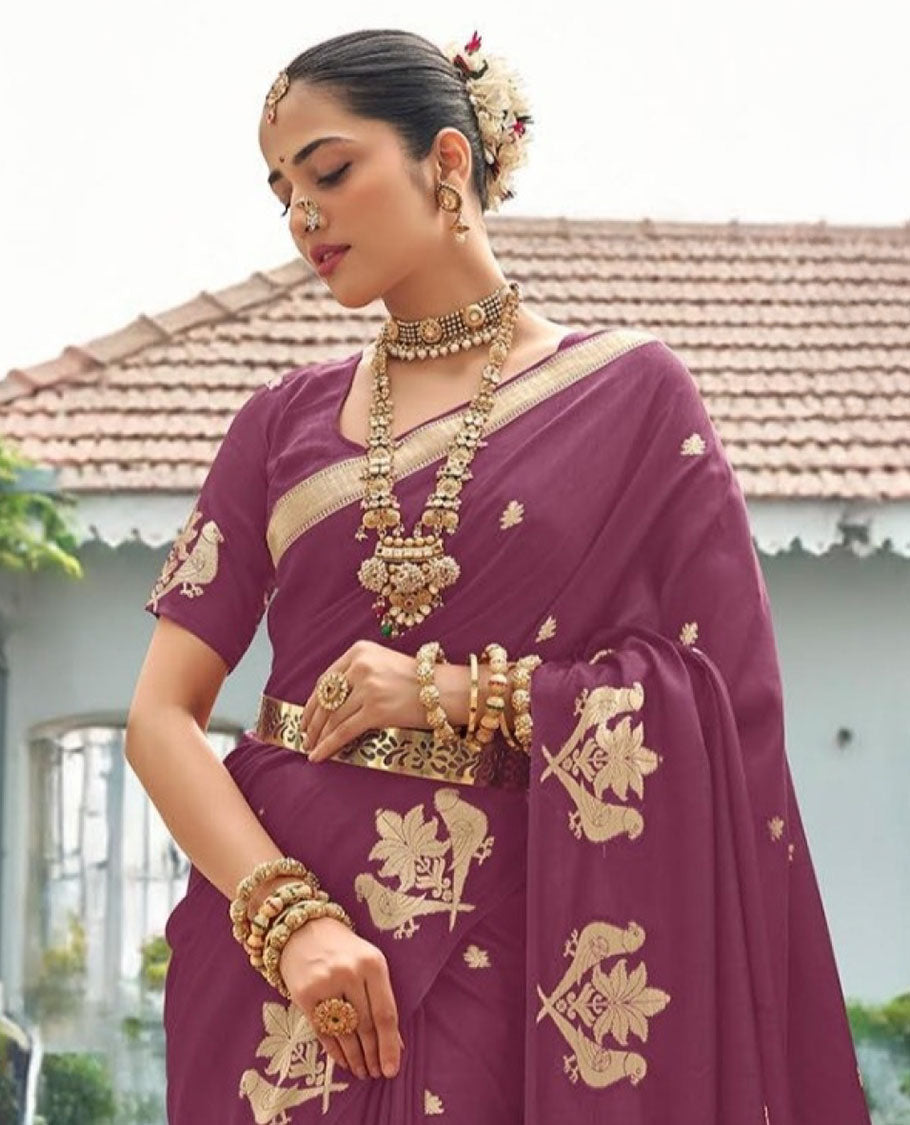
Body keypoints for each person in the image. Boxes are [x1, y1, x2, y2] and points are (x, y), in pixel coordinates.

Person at [125, 27, 872, 1125]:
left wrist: (459, 694)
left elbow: (720, 704)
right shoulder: (278, 420)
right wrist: (290, 919)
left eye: (330, 171)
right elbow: (159, 717)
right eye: (281, 189)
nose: (302, 214)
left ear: (447, 161)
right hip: (283, 960)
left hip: (519, 948)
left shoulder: (631, 397)